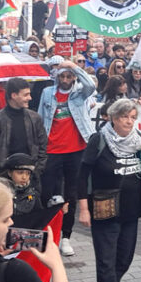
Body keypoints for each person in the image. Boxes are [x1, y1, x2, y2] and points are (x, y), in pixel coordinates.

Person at [78, 99, 141, 282]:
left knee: (124, 257)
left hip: (131, 210)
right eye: (125, 117)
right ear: (113, 118)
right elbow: (82, 175)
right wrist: (83, 208)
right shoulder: (99, 140)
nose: (129, 121)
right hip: (104, 208)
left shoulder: (140, 140)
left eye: (133, 117)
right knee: (106, 259)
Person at [38, 60, 96, 256]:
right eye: (62, 76)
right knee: (49, 193)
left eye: (68, 76)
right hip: (52, 149)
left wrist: (74, 67)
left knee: (72, 193)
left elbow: (91, 85)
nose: (65, 80)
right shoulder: (47, 93)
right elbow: (40, 117)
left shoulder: (79, 92)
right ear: (57, 77)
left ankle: (66, 237)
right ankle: (50, 232)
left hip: (76, 150)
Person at [0, 77, 48, 178]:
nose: (30, 98)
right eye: (26, 95)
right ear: (14, 95)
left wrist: (37, 170)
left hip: (30, 176)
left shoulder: (35, 118)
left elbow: (43, 146)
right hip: (4, 177)